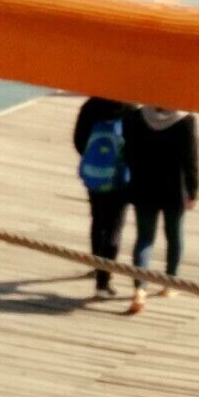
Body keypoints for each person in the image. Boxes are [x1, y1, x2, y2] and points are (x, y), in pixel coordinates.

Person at [121, 103, 199, 312]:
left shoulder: (137, 117)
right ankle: (169, 284)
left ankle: (139, 288)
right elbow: (191, 159)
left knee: (144, 239)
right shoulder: (185, 121)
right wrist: (193, 191)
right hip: (174, 189)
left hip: (144, 185)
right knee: (174, 236)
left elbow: (128, 152)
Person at [72, 97, 130, 297]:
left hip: (95, 174)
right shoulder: (130, 110)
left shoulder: (90, 106)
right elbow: (136, 145)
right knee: (114, 227)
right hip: (119, 178)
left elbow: (79, 141)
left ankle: (97, 265)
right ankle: (103, 283)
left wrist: (94, 158)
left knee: (97, 220)